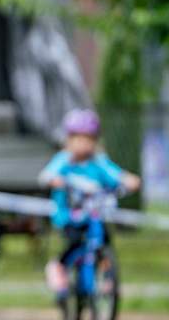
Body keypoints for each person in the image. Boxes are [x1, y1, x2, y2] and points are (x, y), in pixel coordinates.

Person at [39, 109, 141, 297]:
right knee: (75, 241)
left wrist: (129, 180)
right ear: (69, 140)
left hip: (93, 213)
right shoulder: (64, 161)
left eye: (88, 139)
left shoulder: (99, 162)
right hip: (70, 215)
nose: (84, 144)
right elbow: (47, 175)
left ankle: (106, 276)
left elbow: (116, 175)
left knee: (104, 240)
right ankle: (58, 267)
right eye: (79, 139)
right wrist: (55, 180)